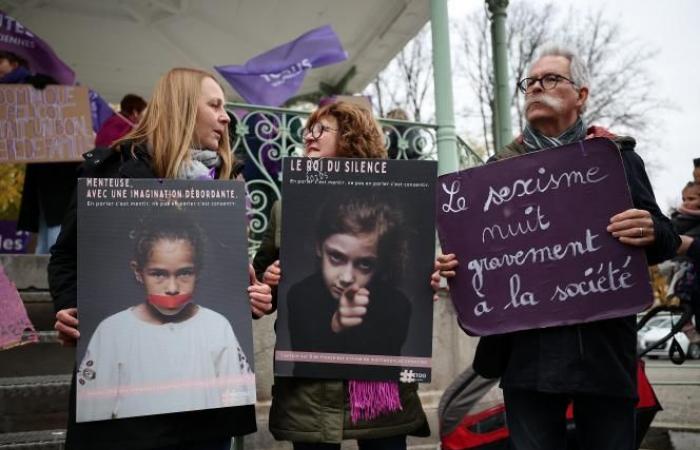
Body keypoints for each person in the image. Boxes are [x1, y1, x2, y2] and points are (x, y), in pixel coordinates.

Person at [433, 44, 679, 450]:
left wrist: (651, 228)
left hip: (602, 356)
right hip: (527, 360)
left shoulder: (615, 158)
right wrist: (457, 265)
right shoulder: (495, 174)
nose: (535, 88)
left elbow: (665, 239)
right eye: (529, 82)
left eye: (550, 79)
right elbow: (481, 260)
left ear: (581, 95)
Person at [49, 67, 272, 450]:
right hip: (129, 409)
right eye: (215, 105)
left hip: (202, 408)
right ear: (184, 108)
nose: (226, 116)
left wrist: (251, 297)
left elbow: (224, 279)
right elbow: (67, 256)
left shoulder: (224, 182)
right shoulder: (113, 172)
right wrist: (70, 306)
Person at [254, 101, 429, 449]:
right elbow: (263, 288)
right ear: (320, 246)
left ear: (350, 138)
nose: (309, 137)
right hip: (310, 396)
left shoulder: (394, 205)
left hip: (380, 396)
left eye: (321, 130)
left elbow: (412, 293)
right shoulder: (285, 207)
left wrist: (432, 276)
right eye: (308, 130)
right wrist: (269, 281)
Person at [77, 210, 255, 422]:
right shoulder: (112, 332)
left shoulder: (217, 326)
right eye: (159, 274)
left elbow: (236, 402)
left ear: (197, 271)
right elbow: (93, 410)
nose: (172, 288)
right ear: (138, 271)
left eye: (184, 273)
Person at [286, 195, 410, 362]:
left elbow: (384, 369)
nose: (346, 278)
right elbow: (305, 365)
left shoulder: (398, 305)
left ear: (380, 264)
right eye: (336, 257)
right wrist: (336, 325)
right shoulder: (299, 295)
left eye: (364, 264)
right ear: (319, 247)